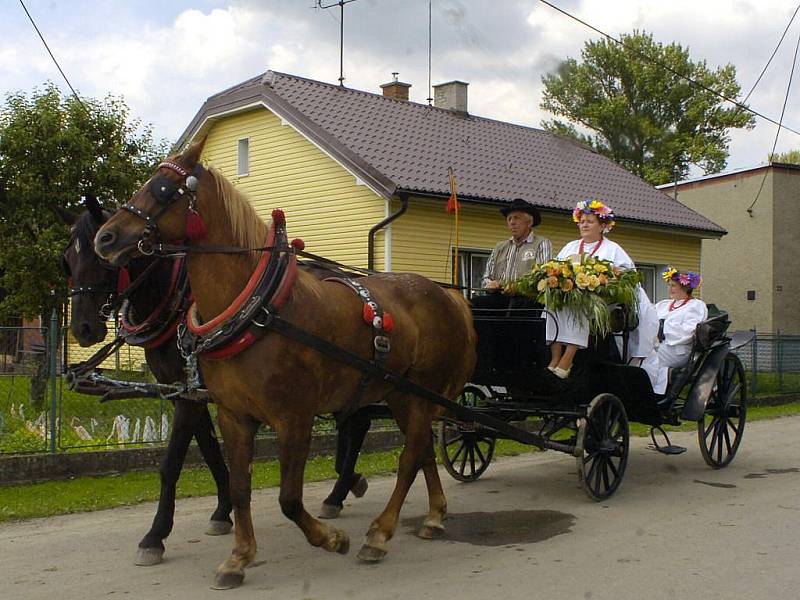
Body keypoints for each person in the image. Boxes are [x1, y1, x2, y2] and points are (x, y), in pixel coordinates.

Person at [546, 199, 658, 378]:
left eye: (590, 221)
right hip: (571, 295)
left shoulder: (613, 249)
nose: (584, 225)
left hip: (603, 302)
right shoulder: (571, 247)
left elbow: (627, 279)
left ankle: (568, 358)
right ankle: (555, 356)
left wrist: (603, 282)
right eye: (582, 221)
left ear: (602, 225)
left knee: (581, 303)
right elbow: (556, 268)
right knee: (551, 305)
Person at [642, 268, 707, 395]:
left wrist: (662, 330)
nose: (670, 289)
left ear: (685, 288)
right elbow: (648, 316)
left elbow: (689, 331)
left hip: (678, 349)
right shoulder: (664, 305)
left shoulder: (696, 306)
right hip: (658, 345)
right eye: (669, 285)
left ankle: (653, 393)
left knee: (648, 358)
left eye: (673, 285)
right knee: (636, 353)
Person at [482, 198, 552, 292]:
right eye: (509, 219)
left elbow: (543, 277)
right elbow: (486, 278)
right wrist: (490, 284)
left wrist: (518, 287)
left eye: (516, 218)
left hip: (526, 298)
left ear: (529, 223)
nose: (512, 222)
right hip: (498, 296)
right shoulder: (500, 247)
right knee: (474, 303)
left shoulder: (541, 244)